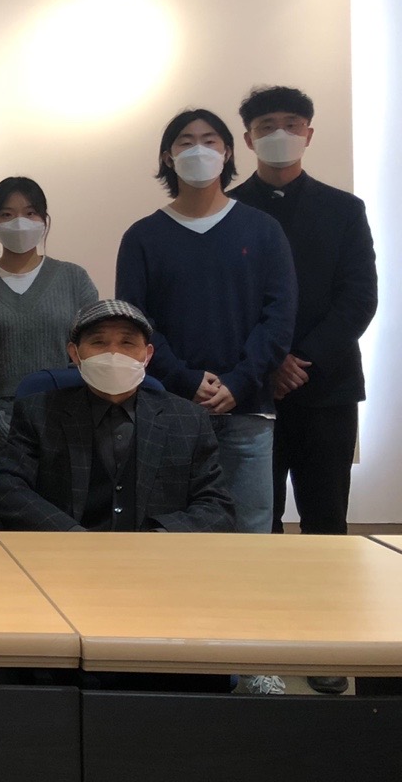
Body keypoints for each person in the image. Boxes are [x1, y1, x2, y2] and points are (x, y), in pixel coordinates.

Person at [230, 86, 378, 698]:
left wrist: (301, 360)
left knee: (325, 522)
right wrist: (267, 365)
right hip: (252, 394)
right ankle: (262, 644)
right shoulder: (229, 210)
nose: (280, 134)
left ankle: (325, 645)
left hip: (327, 390)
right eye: (267, 125)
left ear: (310, 134)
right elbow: (230, 306)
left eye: (292, 124)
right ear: (248, 138)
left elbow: (358, 299)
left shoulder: (345, 209)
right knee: (253, 525)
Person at [115, 108, 296, 536]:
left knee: (251, 534)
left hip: (248, 411)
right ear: (168, 157)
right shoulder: (142, 237)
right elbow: (135, 323)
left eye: (210, 140)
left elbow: (279, 316)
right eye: (186, 141)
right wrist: (184, 379)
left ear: (228, 152)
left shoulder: (263, 229)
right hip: (168, 411)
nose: (199, 149)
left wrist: (240, 381)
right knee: (169, 533)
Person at [0, 298, 235, 533]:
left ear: (147, 355)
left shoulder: (188, 419)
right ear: (75, 354)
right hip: (67, 555)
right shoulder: (39, 412)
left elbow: (216, 506)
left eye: (127, 343)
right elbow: (2, 487)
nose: (114, 354)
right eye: (99, 342)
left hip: (156, 557)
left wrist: (160, 538)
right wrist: (69, 533)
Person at [0, 177, 98, 505]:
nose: (20, 222)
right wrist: (3, 434)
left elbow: (90, 356)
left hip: (62, 429)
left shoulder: (74, 279)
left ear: (44, 220)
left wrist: (57, 428)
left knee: (61, 524)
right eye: (7, 214)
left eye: (30, 213)